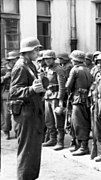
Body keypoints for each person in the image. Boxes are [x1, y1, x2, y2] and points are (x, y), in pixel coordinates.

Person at [9, 37, 45, 180]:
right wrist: (31, 89)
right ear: (27, 51)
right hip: (25, 114)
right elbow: (14, 91)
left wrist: (42, 81)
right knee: (26, 151)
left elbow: (37, 88)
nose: (38, 52)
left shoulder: (30, 65)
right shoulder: (20, 66)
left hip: (33, 113)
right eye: (36, 49)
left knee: (33, 151)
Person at [66, 50, 93, 156]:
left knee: (78, 123)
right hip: (87, 99)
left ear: (75, 60)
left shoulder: (75, 70)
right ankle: (79, 145)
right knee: (84, 122)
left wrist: (70, 94)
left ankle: (83, 147)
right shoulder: (88, 69)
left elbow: (68, 86)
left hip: (77, 99)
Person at [41, 50, 66, 151]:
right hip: (48, 96)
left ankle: (60, 142)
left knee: (58, 120)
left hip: (56, 97)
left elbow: (62, 86)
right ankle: (52, 139)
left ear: (53, 59)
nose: (47, 60)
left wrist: (60, 100)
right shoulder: (46, 69)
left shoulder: (59, 69)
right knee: (49, 119)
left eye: (49, 58)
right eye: (45, 59)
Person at [1, 51, 19, 139]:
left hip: (16, 93)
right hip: (6, 93)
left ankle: (17, 131)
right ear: (9, 60)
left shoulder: (19, 68)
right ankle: (6, 131)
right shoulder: (3, 70)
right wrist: (4, 77)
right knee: (6, 114)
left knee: (17, 112)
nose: (14, 62)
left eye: (16, 59)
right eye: (13, 60)